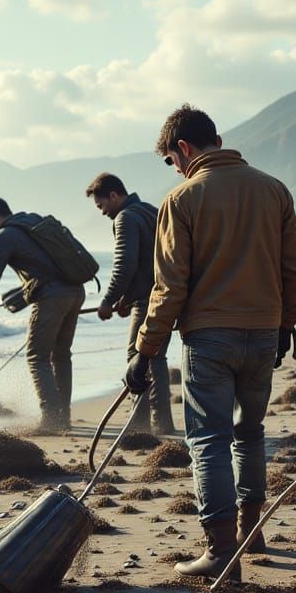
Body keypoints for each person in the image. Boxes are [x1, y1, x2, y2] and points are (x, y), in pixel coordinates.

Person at [126, 104, 296, 582]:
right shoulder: (274, 190)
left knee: (209, 440)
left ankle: (222, 552)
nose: (175, 169)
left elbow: (169, 288)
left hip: (209, 338)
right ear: (219, 140)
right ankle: (252, 531)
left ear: (183, 148)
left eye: (172, 160)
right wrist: (285, 323)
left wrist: (145, 351)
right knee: (249, 432)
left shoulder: (182, 199)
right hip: (264, 333)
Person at [0, 195, 85, 433]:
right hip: (76, 291)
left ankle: (51, 420)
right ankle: (63, 418)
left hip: (53, 298)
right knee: (61, 355)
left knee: (37, 357)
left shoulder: (3, 236)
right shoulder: (33, 222)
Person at [84, 172, 176, 435]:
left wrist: (108, 301)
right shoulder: (150, 211)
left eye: (101, 205)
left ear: (114, 195)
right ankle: (162, 423)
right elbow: (148, 264)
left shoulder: (125, 218)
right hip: (166, 295)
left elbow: (125, 265)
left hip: (149, 300)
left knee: (137, 357)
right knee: (155, 358)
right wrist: (126, 299)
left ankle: (140, 427)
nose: (102, 212)